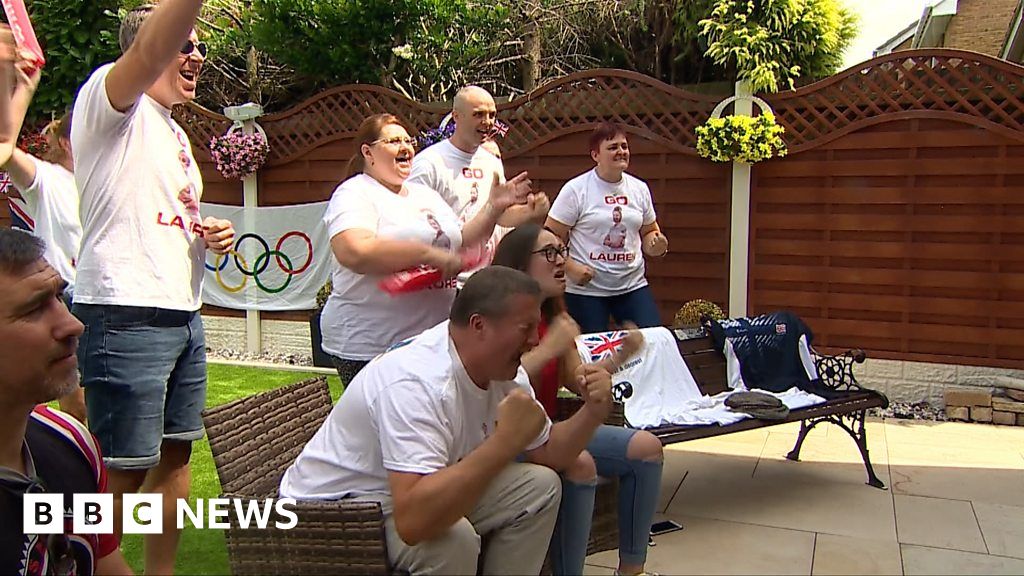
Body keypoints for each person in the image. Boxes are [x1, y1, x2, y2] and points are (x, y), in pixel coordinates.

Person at [282, 266, 616, 575]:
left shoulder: (504, 373)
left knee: (538, 487)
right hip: (329, 510)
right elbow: (414, 523)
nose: (535, 340)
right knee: (453, 540)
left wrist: (592, 411)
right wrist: (503, 445)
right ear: (479, 325)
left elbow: (551, 453)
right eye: (526, 328)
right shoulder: (417, 381)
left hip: (405, 491)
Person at [69, 3, 235, 573]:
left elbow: (158, 213)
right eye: (185, 44)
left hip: (181, 312)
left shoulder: (174, 132)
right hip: (124, 309)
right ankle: (79, 565)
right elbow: (145, 52)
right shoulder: (112, 103)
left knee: (175, 457)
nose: (196, 57)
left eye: (200, 47)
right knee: (122, 468)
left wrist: (210, 232)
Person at [493, 223, 665, 576]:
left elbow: (578, 380)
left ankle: (631, 570)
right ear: (519, 264)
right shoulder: (498, 317)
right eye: (549, 253)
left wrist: (617, 359)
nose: (561, 262)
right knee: (580, 462)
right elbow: (495, 381)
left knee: (647, 448)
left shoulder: (557, 317)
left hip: (547, 429)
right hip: (501, 436)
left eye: (562, 251)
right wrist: (550, 347)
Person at [321, 113, 527, 384]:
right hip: (373, 344)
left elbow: (460, 240)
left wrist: (493, 208)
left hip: (431, 341)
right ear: (368, 152)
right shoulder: (355, 193)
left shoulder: (424, 195)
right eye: (394, 141)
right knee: (386, 424)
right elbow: (354, 252)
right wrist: (425, 255)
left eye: (409, 140)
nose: (406, 146)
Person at [0, 228, 133, 576]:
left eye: (58, 297)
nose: (72, 324)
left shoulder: (73, 444)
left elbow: (106, 564)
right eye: (33, 309)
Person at [0, 47, 85, 422]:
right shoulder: (49, 181)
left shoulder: (103, 185)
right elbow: (3, 152)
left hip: (106, 301)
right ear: (66, 143)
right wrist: (22, 86)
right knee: (77, 406)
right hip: (64, 297)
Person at [407, 85, 546, 285]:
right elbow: (415, 226)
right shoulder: (429, 163)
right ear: (456, 116)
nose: (487, 122)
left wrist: (529, 213)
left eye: (492, 115)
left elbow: (499, 216)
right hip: (444, 279)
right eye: (478, 114)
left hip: (486, 276)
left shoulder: (490, 161)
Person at [546, 122, 669, 333]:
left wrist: (656, 244)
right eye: (613, 147)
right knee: (590, 351)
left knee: (651, 341)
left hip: (632, 285)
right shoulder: (576, 189)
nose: (621, 152)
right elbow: (548, 237)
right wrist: (570, 267)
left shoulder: (639, 189)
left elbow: (650, 232)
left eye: (624, 146)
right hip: (587, 291)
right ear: (595, 155)